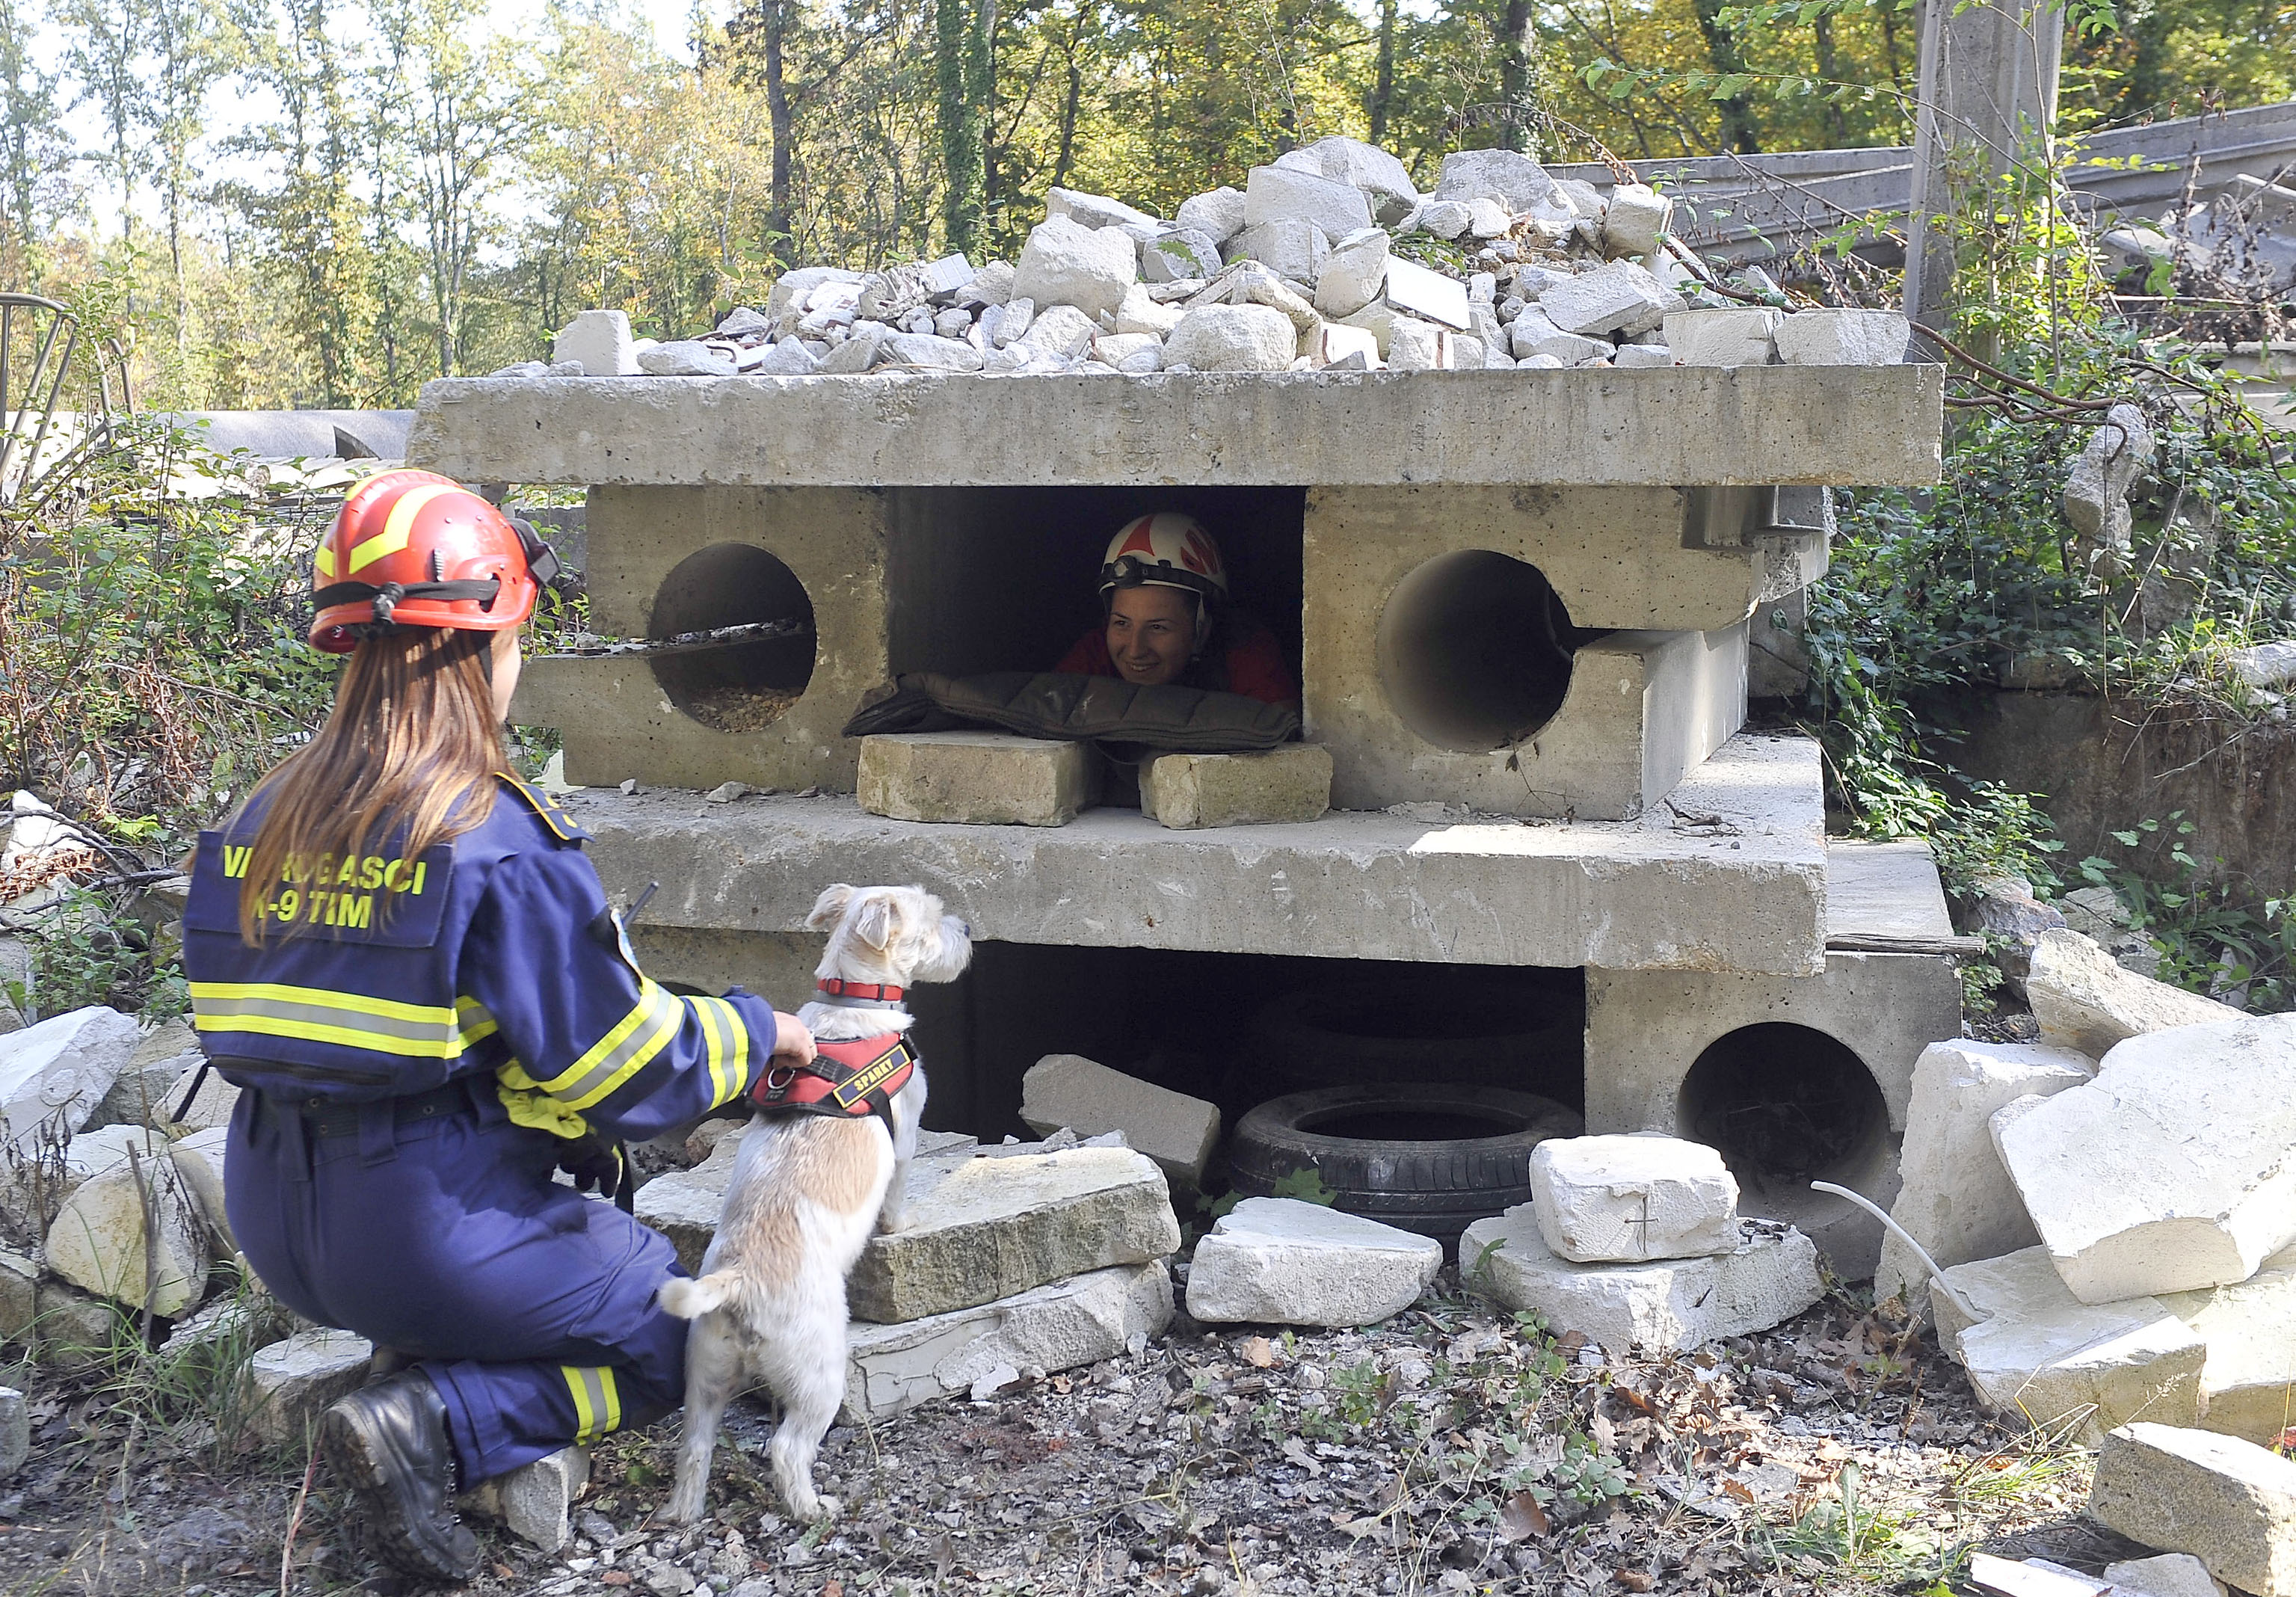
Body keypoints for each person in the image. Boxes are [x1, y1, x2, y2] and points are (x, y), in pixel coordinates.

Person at [179, 470, 816, 1584]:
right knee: (693, 1329)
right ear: (483, 645)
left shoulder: (257, 819)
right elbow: (629, 1069)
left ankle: (421, 1350)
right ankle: (434, 1423)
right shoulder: (487, 832)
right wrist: (763, 1036)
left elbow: (325, 1031)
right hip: (429, 1231)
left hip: (274, 1218)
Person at [1054, 512, 1300, 710]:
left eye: (1158, 627)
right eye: (1122, 623)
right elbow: (1047, 708)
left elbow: (1281, 732)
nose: (1135, 650)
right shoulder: (1097, 651)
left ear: (1202, 629)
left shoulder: (1244, 651)